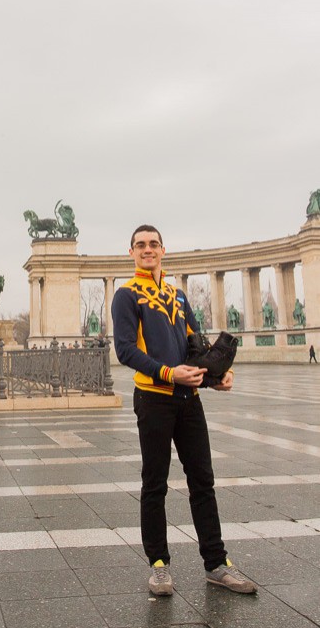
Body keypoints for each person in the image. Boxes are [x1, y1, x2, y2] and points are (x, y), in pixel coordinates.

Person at [111, 224, 257, 596]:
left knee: (203, 482)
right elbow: (125, 350)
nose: (148, 249)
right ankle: (159, 565)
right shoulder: (126, 295)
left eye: (154, 244)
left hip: (188, 400)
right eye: (141, 245)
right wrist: (168, 373)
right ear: (132, 252)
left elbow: (197, 344)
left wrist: (215, 376)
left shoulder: (177, 294)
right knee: (154, 484)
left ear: (163, 250)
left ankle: (216, 563)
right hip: (154, 398)